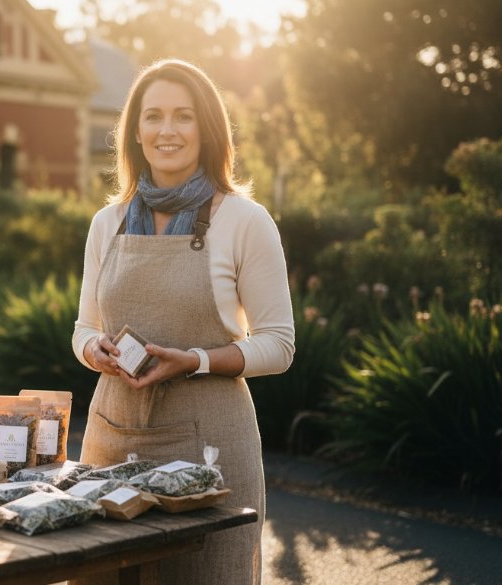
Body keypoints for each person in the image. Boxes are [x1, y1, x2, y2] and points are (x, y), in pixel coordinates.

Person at [72, 59, 294, 584]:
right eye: (153, 117)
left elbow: (279, 345)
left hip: (210, 447)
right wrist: (92, 350)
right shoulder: (108, 222)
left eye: (183, 116)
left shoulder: (244, 220)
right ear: (135, 132)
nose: (166, 130)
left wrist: (193, 361)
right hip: (112, 439)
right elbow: (82, 328)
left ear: (208, 129)